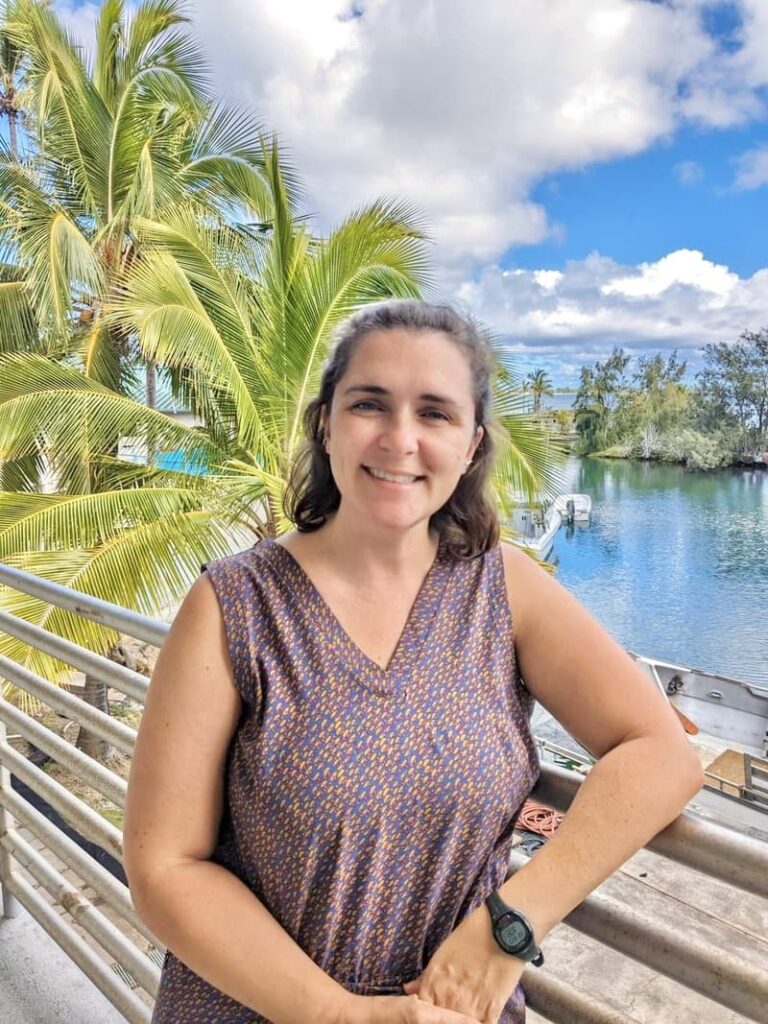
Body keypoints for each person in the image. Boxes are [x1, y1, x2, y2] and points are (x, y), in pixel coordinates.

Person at [124, 299, 704, 1024]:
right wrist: (345, 1016)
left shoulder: (506, 588)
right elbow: (164, 866)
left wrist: (510, 925)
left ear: (470, 447)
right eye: (370, 404)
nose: (400, 440)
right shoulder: (233, 605)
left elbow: (664, 754)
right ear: (325, 424)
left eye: (435, 413)